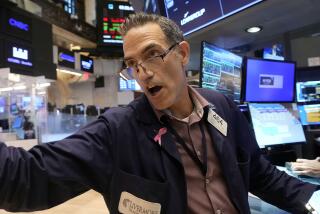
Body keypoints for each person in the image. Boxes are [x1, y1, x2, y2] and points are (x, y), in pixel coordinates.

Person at [0, 12, 319, 214]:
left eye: (153, 55)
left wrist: (313, 201)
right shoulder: (118, 130)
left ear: (181, 54)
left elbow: (262, 176)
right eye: (133, 64)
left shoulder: (220, 106)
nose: (143, 72)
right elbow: (25, 178)